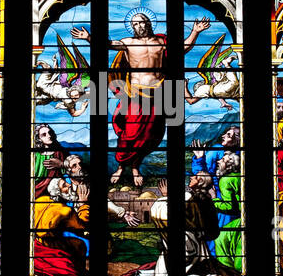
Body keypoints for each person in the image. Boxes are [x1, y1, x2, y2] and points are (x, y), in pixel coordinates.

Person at [73, 13, 210, 187]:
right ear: (133, 27)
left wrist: (195, 32)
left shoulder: (161, 42)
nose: (140, 26)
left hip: (158, 95)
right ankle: (121, 166)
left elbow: (183, 48)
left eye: (143, 22)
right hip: (136, 95)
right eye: (136, 24)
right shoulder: (128, 43)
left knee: (150, 135)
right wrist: (89, 38)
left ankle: (136, 167)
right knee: (129, 133)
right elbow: (106, 45)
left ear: (149, 23)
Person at [32, 175, 90, 276]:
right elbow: (82, 225)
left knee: (78, 244)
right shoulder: (64, 210)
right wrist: (83, 204)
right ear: (58, 193)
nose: (69, 185)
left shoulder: (40, 200)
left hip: (34, 246)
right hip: (49, 249)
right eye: (64, 186)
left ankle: (77, 272)